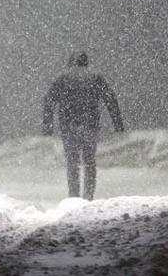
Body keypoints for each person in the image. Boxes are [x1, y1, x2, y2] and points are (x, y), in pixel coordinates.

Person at [42, 50, 124, 200]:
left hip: (68, 126)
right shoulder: (96, 77)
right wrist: (118, 123)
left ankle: (73, 196)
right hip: (90, 125)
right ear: (86, 62)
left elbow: (49, 100)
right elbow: (110, 99)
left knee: (72, 163)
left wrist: (48, 126)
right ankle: (88, 196)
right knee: (89, 162)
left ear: (70, 62)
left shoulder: (63, 78)